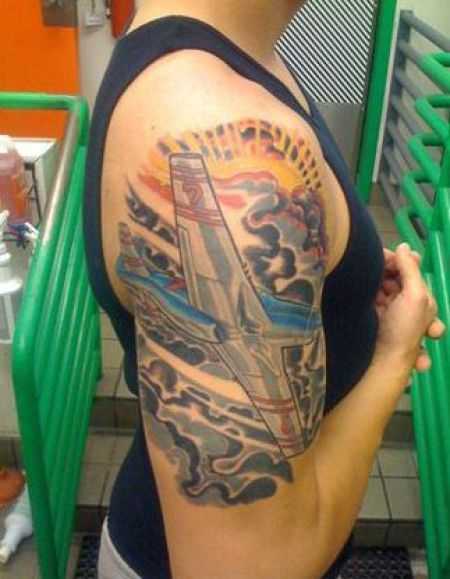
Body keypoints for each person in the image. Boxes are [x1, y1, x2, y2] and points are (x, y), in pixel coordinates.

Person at [83, 1, 447, 578]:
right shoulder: (206, 120)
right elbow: (259, 568)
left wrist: (339, 271)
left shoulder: (236, 52)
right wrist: (393, 359)